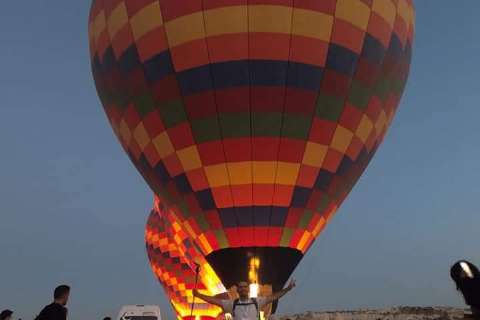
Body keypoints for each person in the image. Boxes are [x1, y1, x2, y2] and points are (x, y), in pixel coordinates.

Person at [193, 280, 295, 320]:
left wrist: (288, 289)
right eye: (241, 287)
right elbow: (214, 301)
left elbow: (273, 297)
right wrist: (199, 295)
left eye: (245, 287)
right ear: (237, 290)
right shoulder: (232, 304)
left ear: (248, 289)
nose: (243, 289)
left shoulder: (257, 301)